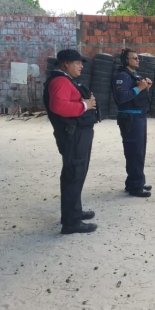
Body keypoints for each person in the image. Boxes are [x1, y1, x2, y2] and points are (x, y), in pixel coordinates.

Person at [43, 49, 99, 234]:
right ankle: (71, 222)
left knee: (77, 173)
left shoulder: (66, 80)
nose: (81, 66)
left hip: (77, 134)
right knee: (73, 175)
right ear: (65, 64)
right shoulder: (60, 80)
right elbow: (58, 106)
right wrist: (85, 105)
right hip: (73, 135)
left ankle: (74, 212)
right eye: (77, 62)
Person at [112, 48, 153, 197]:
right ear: (126, 60)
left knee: (139, 151)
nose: (137, 60)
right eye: (134, 58)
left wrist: (144, 87)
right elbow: (122, 97)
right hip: (130, 119)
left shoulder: (133, 74)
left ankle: (135, 181)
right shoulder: (122, 76)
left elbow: (135, 93)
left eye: (138, 58)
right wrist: (140, 87)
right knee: (134, 152)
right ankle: (135, 186)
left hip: (138, 117)